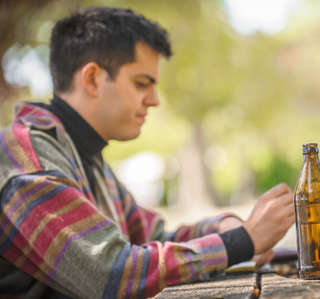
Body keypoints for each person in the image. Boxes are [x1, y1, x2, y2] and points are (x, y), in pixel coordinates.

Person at [0, 6, 294, 298]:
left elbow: (152, 239)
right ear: (91, 79)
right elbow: (109, 273)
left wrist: (221, 228)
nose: (154, 101)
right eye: (142, 84)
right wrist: (242, 241)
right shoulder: (29, 162)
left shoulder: (83, 154)